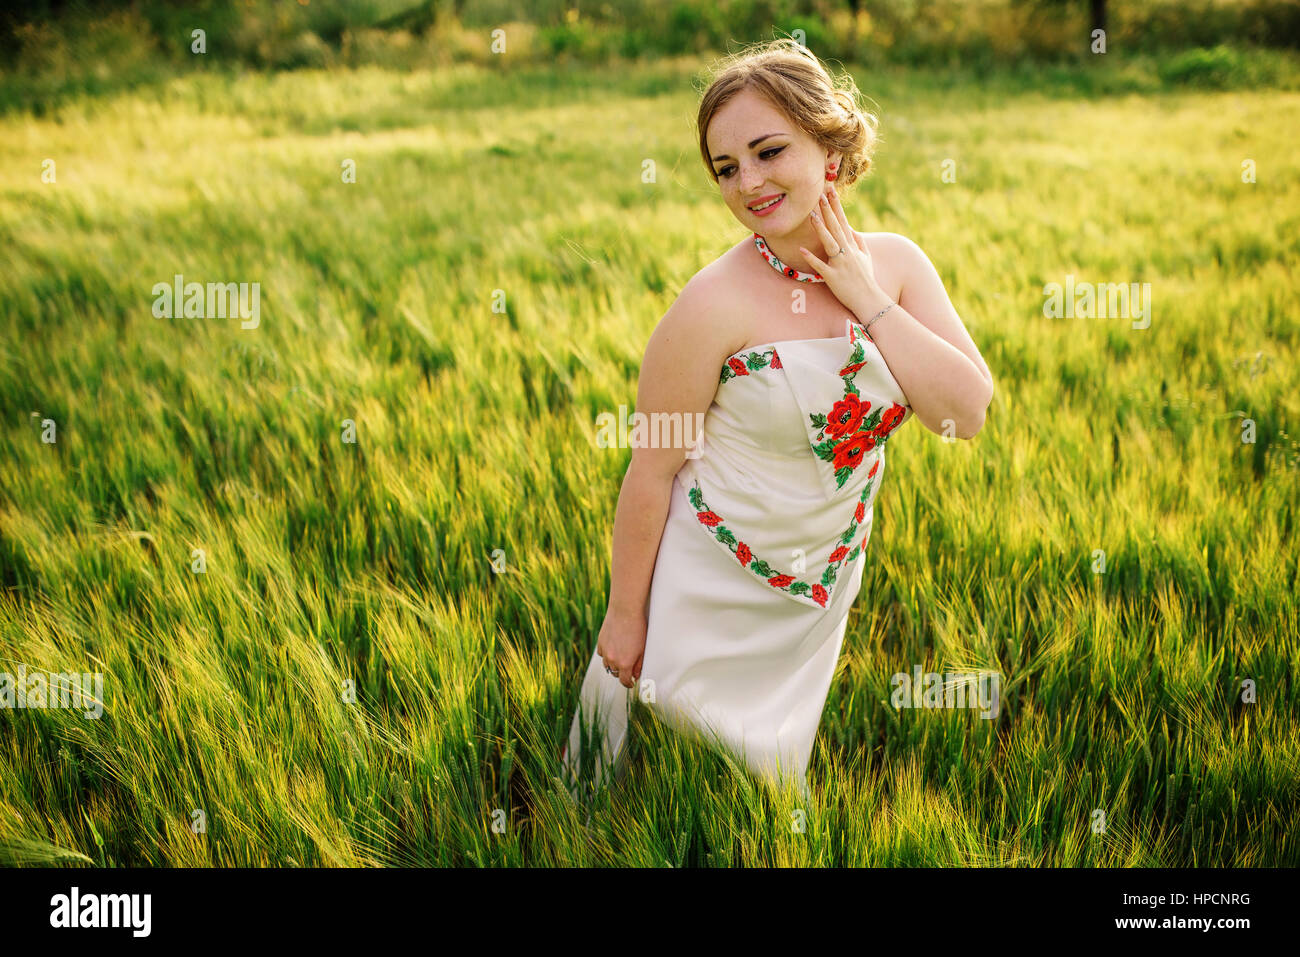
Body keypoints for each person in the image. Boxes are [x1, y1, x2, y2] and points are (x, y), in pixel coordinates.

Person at [560, 38, 994, 807]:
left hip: (824, 571)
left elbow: (964, 411)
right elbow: (651, 470)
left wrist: (867, 298)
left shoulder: (897, 265)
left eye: (768, 151)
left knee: (761, 780)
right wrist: (625, 617)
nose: (749, 182)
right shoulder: (709, 306)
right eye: (726, 168)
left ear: (830, 147)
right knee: (656, 774)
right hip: (711, 577)